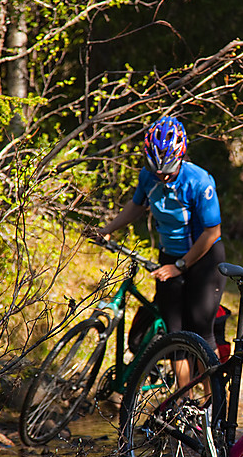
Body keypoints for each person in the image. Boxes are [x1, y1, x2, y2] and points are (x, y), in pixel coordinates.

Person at [97, 115, 226, 352]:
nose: (162, 176)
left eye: (168, 170)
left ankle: (212, 390)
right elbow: (137, 205)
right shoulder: (148, 176)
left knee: (200, 328)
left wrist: (180, 266)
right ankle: (183, 391)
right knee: (173, 333)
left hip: (205, 259)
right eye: (156, 170)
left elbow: (211, 232)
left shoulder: (199, 181)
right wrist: (107, 230)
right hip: (170, 255)